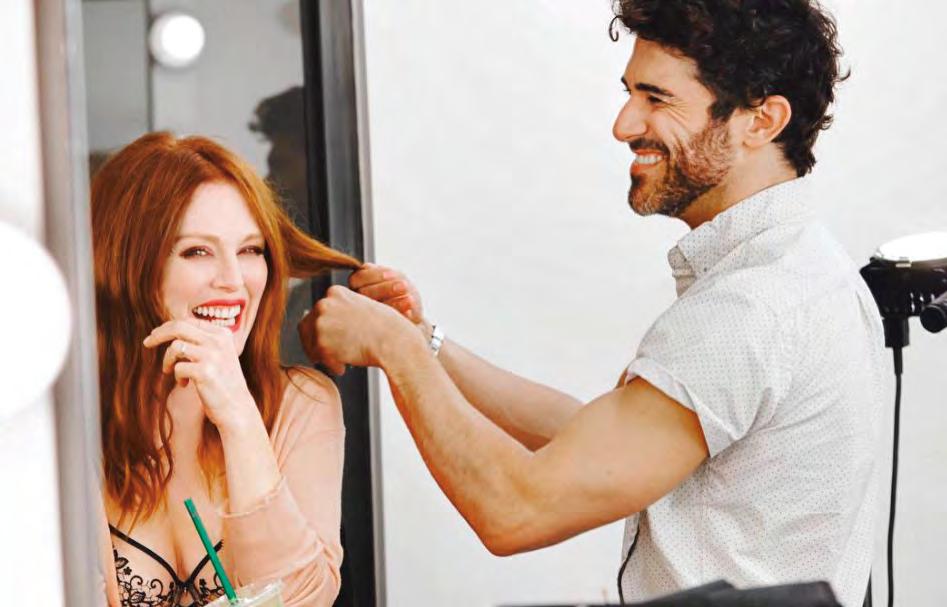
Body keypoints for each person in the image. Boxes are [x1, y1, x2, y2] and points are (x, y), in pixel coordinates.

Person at [300, 1, 886, 605]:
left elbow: (515, 509)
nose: (624, 124)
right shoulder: (805, 271)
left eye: (657, 98)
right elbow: (594, 441)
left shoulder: (750, 309)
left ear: (760, 121)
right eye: (631, 93)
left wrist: (394, 349)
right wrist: (424, 341)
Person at [91, 131, 360, 607]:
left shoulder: (302, 404)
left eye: (251, 250)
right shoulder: (71, 425)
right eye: (197, 251)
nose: (234, 281)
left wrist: (239, 417)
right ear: (128, 266)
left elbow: (304, 601)